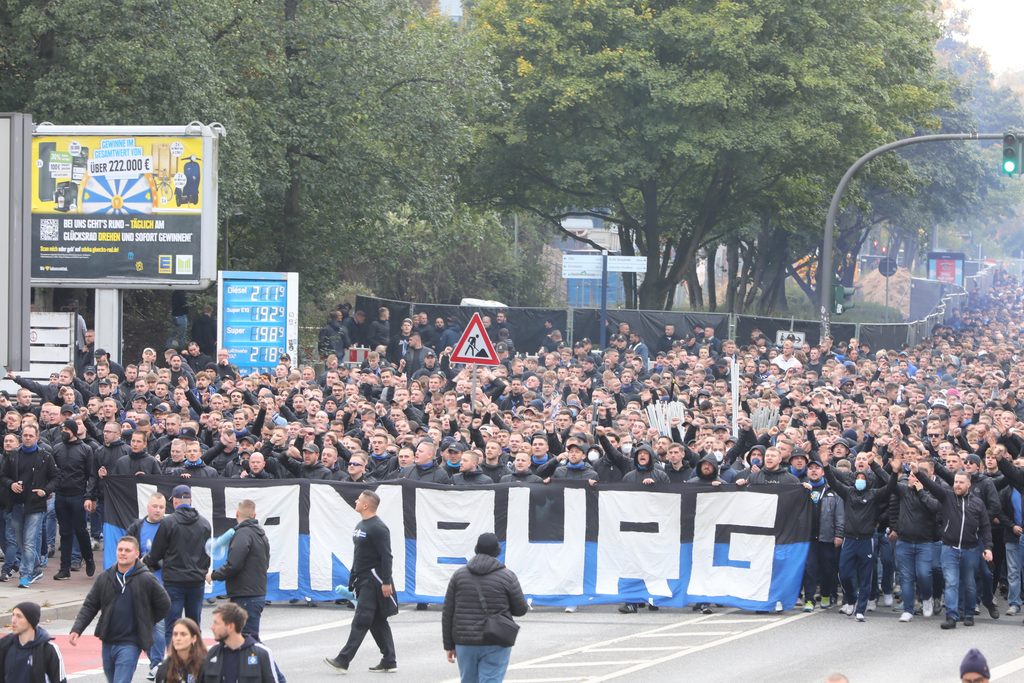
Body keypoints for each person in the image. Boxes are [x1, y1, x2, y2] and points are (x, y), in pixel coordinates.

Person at [70, 536, 171, 683]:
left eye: (127, 550)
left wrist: (146, 620)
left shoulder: (146, 579)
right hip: (108, 640)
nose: (123, 553)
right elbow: (90, 605)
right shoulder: (105, 577)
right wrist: (77, 629)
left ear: (137, 554)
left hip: (130, 643)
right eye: (120, 550)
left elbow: (164, 603)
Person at [912, 462, 993, 629]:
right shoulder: (947, 497)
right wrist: (918, 473)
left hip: (970, 549)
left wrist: (988, 548)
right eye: (955, 482)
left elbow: (985, 527)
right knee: (951, 582)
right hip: (949, 548)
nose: (957, 485)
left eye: (961, 482)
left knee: (969, 584)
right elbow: (932, 486)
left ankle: (969, 614)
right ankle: (951, 616)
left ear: (968, 484)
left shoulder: (978, 503)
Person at [325, 490, 398, 673]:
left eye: (358, 499)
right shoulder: (361, 524)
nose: (356, 501)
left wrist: (386, 581)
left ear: (366, 505)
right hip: (361, 577)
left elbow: (386, 556)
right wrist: (353, 577)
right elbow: (359, 554)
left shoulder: (378, 527)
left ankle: (343, 660)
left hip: (373, 580)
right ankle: (389, 660)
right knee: (377, 621)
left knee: (361, 619)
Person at [442, 532, 529, 683]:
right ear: (497, 551)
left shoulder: (459, 576)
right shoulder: (507, 576)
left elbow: (448, 612)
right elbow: (520, 610)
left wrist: (448, 645)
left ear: (476, 549)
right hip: (496, 639)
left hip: (465, 640)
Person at [145, 486, 213, 643]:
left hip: (174, 581)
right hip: (196, 581)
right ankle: (195, 662)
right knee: (194, 625)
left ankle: (173, 662)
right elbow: (207, 554)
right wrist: (201, 571)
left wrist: (145, 562)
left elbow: (156, 553)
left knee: (172, 626)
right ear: (190, 500)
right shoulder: (204, 524)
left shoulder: (168, 522)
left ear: (175, 501)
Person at [0, 424, 58, 587]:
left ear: (37, 437)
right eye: (25, 435)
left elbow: (55, 477)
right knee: (20, 541)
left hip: (35, 505)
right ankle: (36, 567)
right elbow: (3, 476)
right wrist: (11, 484)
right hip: (16, 504)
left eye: (30, 436)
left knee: (30, 540)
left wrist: (45, 491)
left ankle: (25, 575)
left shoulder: (45, 456)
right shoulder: (13, 455)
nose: (27, 438)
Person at [207, 500, 270, 640]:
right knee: (247, 639)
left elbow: (233, 565)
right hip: (256, 593)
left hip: (245, 595)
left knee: (248, 640)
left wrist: (214, 575)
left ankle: (266, 662)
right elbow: (266, 564)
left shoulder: (242, 534)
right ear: (254, 515)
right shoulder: (262, 535)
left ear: (237, 514)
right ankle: (260, 661)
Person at [127, 492, 169, 680]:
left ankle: (157, 663)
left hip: (162, 583)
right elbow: (126, 548)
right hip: (139, 583)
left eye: (161, 507)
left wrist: (157, 562)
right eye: (155, 506)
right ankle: (151, 661)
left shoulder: (169, 526)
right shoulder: (137, 526)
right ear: (148, 507)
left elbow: (174, 552)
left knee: (158, 625)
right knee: (139, 624)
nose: (158, 510)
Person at [201, 604, 280, 683]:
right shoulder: (211, 653)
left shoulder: (262, 653)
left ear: (230, 626)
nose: (212, 627)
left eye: (216, 623)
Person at [0, 601, 67, 683]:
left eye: (19, 616)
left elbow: (60, 680)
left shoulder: (48, 649)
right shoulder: (5, 645)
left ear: (31, 621)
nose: (13, 620)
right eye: (13, 615)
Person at [154, 618, 206, 683]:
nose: (178, 638)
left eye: (183, 634)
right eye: (175, 634)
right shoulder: (165, 667)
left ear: (194, 638)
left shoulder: (206, 665)